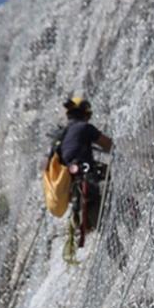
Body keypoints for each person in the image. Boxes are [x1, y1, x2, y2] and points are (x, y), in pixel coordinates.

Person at [58, 96, 114, 246]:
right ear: (84, 114)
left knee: (104, 229)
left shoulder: (62, 136)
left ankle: (120, 259)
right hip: (89, 185)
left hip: (75, 191)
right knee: (108, 220)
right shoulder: (84, 128)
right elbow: (109, 145)